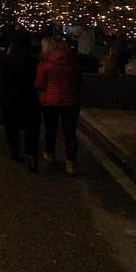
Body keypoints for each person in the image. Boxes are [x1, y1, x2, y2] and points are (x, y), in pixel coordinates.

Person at [36, 36, 82, 176]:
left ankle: (50, 153)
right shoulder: (72, 61)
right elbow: (78, 79)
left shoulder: (45, 63)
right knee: (70, 132)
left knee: (51, 129)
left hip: (50, 101)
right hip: (70, 101)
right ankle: (70, 162)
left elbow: (39, 83)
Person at [0, 31, 41, 171]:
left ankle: (15, 151)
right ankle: (31, 154)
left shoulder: (7, 59)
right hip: (28, 97)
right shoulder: (33, 60)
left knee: (12, 126)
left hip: (10, 97)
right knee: (30, 128)